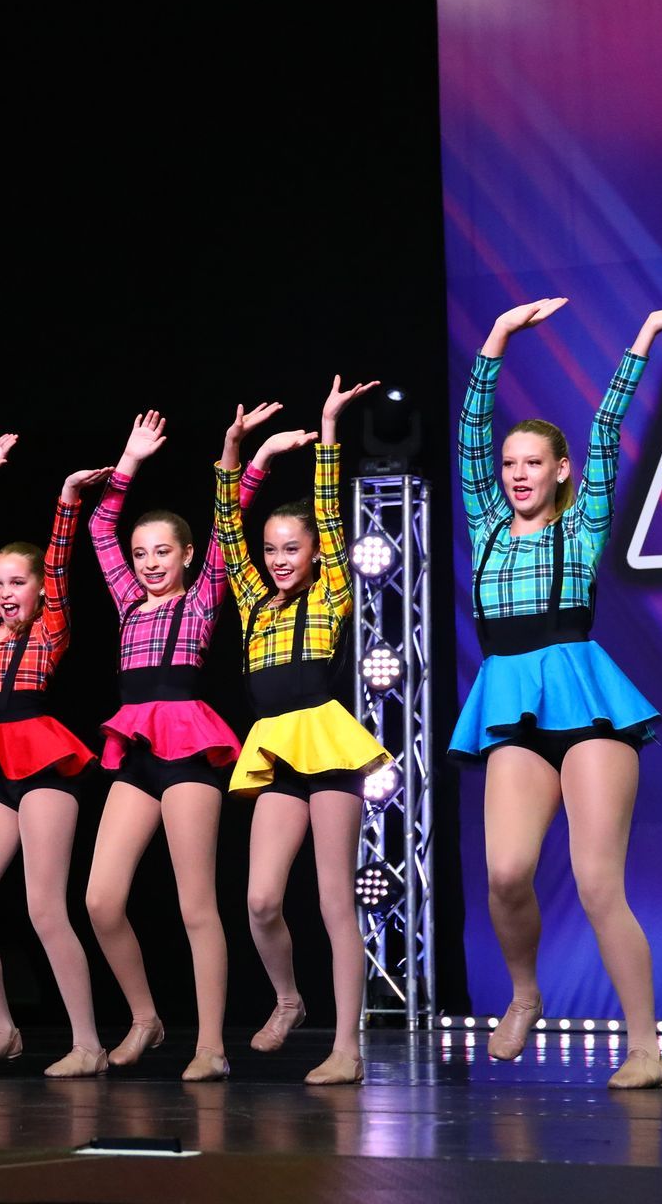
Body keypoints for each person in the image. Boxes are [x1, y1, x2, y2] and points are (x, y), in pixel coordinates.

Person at [450, 298, 662, 1090]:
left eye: (533, 462)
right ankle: (525, 994)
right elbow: (470, 434)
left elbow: (606, 433)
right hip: (512, 704)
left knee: (599, 884)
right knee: (506, 874)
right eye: (510, 463)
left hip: (586, 704)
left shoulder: (581, 524)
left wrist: (642, 339)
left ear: (560, 471)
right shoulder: (487, 526)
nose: (516, 473)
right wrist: (495, 337)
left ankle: (645, 1047)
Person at [81, 408, 272, 1082]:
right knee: (101, 899)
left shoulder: (204, 595)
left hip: (188, 746)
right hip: (134, 748)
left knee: (196, 904)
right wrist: (128, 462)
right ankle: (146, 1018)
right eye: (142, 554)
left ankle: (211, 1044)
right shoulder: (128, 601)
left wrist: (239, 456)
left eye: (162, 552)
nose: (149, 563)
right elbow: (99, 527)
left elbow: (228, 521)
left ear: (187, 555)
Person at [215, 378, 390, 1086]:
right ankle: (288, 998)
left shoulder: (332, 591)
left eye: (293, 547)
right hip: (275, 747)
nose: (280, 557)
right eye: (273, 548)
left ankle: (346, 1047)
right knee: (261, 900)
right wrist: (235, 451)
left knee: (333, 900)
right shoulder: (253, 602)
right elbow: (227, 529)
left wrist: (326, 429)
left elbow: (329, 511)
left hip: (327, 744)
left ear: (315, 552)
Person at [0, 434, 110, 1077]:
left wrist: (67, 499)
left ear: (40, 589)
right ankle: (2, 1031)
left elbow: (61, 562)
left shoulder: (51, 626)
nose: (6, 592)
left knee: (44, 907)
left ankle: (88, 1044)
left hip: (42, 765)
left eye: (19, 582)